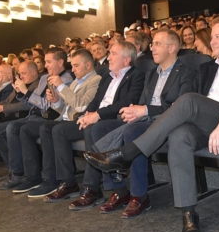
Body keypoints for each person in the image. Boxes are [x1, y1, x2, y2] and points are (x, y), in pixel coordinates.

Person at [84, 16, 219, 232]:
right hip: (201, 126)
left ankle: (127, 153)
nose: (213, 41)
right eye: (212, 37)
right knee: (180, 136)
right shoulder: (207, 67)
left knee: (189, 99)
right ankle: (189, 213)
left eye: (218, 36)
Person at [80, 29, 198, 216]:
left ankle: (139, 196)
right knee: (99, 127)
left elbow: (181, 109)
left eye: (158, 43)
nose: (152, 48)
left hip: (167, 123)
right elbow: (142, 103)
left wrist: (144, 111)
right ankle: (119, 190)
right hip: (145, 120)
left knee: (132, 131)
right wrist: (134, 112)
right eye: (152, 44)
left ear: (172, 47)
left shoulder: (187, 72)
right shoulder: (151, 73)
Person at [42, 41, 144, 205]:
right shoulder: (107, 77)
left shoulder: (136, 75)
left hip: (115, 119)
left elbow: (128, 101)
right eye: (109, 54)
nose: (108, 58)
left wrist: (97, 115)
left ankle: (93, 188)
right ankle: (68, 183)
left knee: (93, 129)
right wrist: (85, 114)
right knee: (59, 130)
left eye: (113, 54)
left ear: (127, 60)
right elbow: (96, 101)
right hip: (97, 118)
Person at [16, 49, 101, 197]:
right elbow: (65, 108)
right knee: (45, 127)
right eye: (72, 66)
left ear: (88, 65)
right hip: (65, 120)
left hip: (82, 121)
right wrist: (55, 101)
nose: (72, 69)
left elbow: (82, 106)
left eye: (76, 66)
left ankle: (67, 182)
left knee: (57, 130)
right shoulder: (76, 81)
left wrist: (61, 87)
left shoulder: (95, 80)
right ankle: (50, 178)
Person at [0, 48, 73, 191]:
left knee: (16, 128)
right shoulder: (44, 78)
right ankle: (15, 170)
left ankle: (22, 174)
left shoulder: (67, 80)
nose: (45, 65)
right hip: (33, 115)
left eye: (48, 62)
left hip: (48, 118)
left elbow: (47, 107)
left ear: (60, 62)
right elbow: (31, 103)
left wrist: (26, 92)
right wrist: (20, 93)